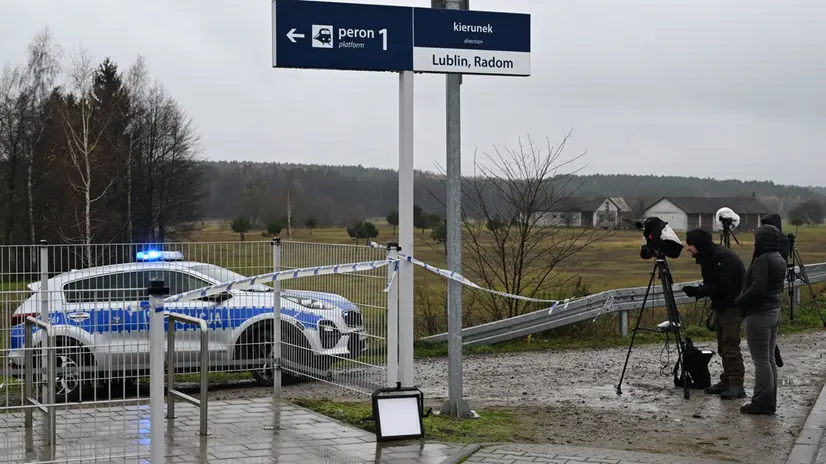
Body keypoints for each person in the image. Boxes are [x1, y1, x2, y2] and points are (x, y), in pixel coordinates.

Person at [681, 228, 747, 399]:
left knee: (730, 345)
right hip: (722, 305)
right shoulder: (709, 256)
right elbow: (714, 284)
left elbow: (723, 286)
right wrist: (701, 290)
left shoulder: (722, 258)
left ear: (699, 244)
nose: (687, 248)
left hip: (733, 306)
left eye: (690, 245)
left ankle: (737, 385)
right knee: (722, 345)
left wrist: (699, 291)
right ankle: (727, 380)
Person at [735, 224, 786, 415]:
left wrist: (739, 301)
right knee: (769, 358)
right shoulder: (778, 257)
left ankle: (761, 401)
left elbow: (757, 289)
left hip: (759, 314)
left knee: (761, 360)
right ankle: (769, 400)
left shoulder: (764, 260)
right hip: (773, 311)